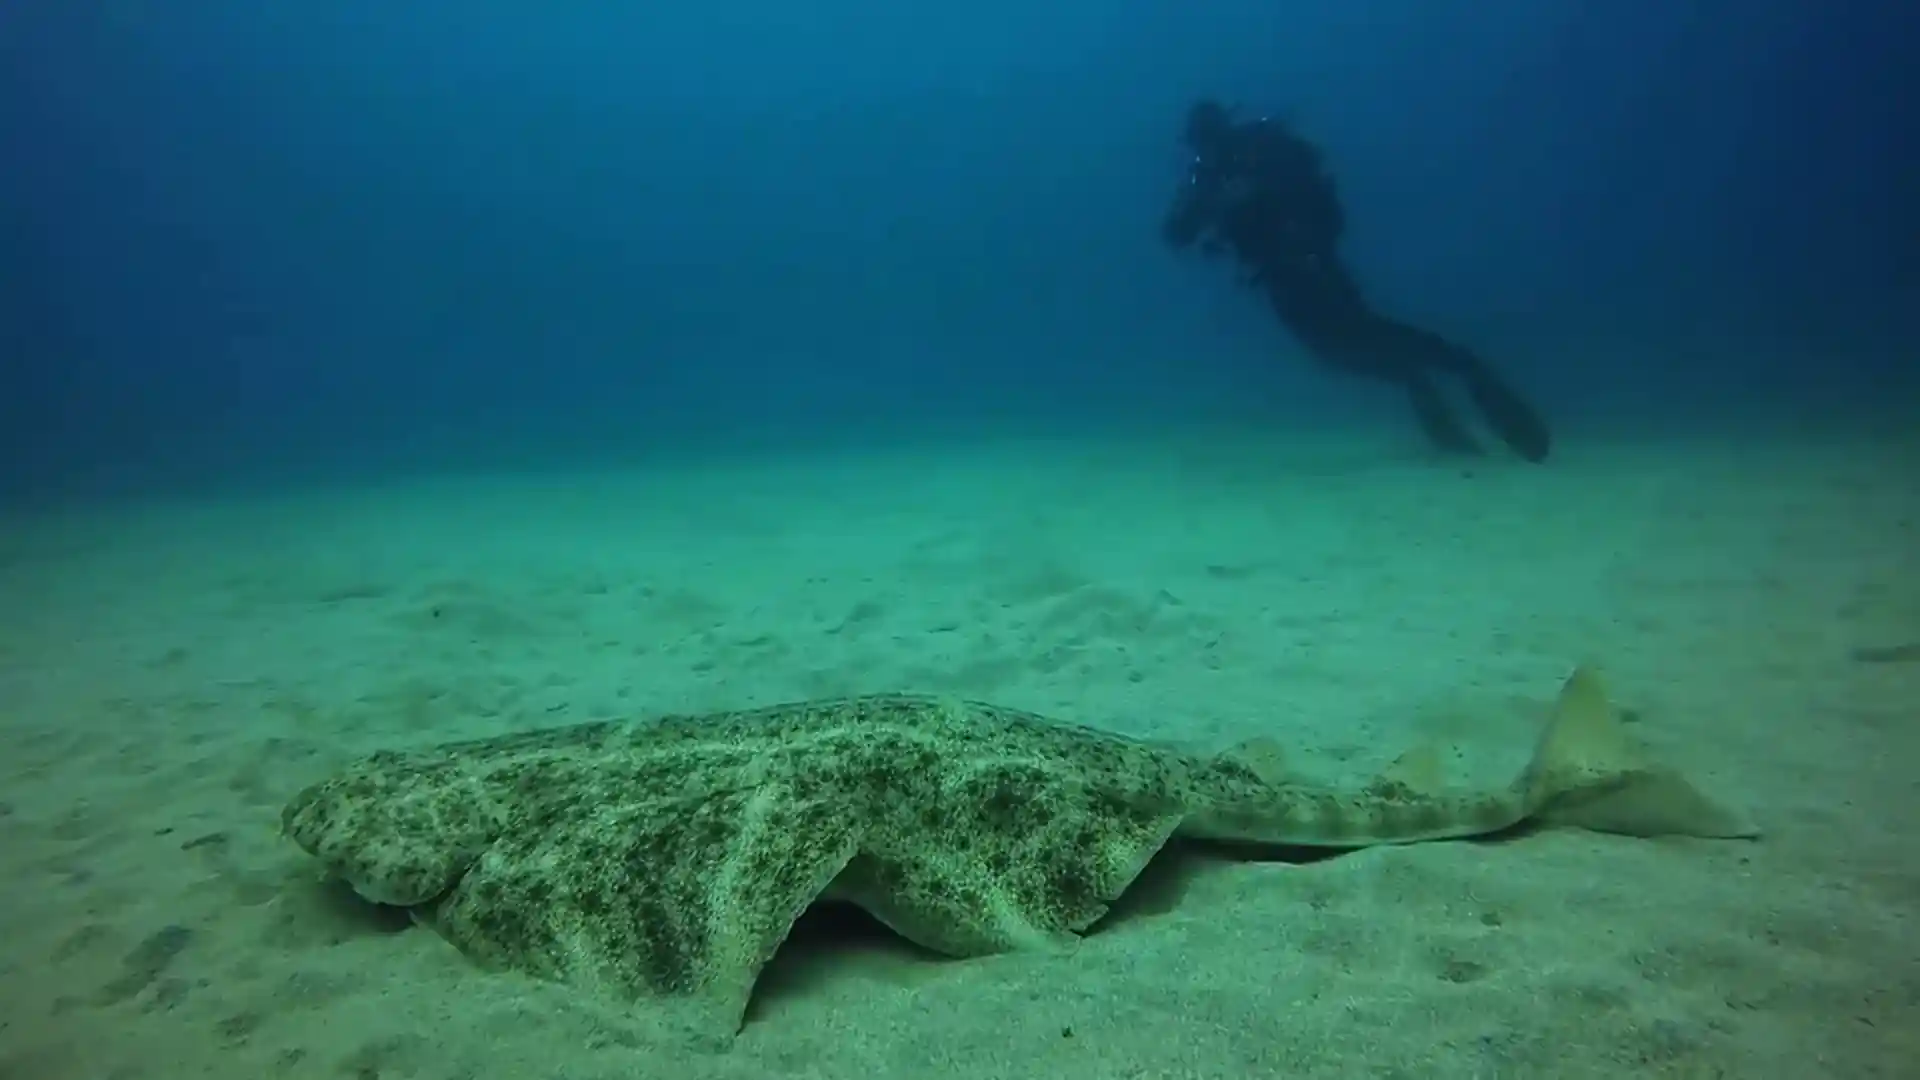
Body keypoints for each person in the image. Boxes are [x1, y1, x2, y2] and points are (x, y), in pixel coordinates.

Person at [1162, 99, 1552, 462]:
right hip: (1278, 278)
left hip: (1312, 264)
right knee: (1337, 352)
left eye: (1205, 142)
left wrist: (1259, 195)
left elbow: (1306, 182)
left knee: (1361, 332)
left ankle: (1465, 367)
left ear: (1219, 133)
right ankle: (1420, 383)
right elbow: (1175, 233)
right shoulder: (1209, 178)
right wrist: (1209, 201)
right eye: (1197, 146)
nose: (1202, 152)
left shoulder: (1261, 153)